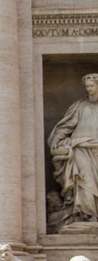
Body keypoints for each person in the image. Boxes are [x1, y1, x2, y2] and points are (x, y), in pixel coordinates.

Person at [48, 73, 98, 227]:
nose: (89, 89)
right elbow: (66, 126)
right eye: (87, 86)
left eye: (92, 86)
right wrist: (57, 140)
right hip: (81, 148)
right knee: (85, 180)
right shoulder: (79, 106)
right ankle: (87, 214)